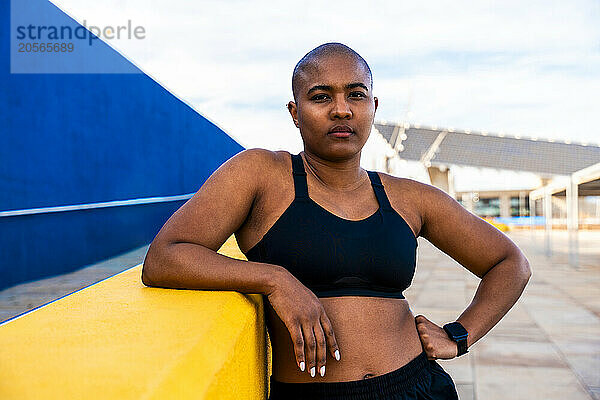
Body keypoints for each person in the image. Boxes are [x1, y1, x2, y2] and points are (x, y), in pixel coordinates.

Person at [141, 42, 532, 399]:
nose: (341, 109)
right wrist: (275, 280)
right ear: (295, 112)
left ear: (373, 107)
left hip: (417, 387)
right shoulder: (261, 174)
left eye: (356, 95)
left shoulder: (409, 196)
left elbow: (510, 263)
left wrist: (460, 335)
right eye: (321, 96)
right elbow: (165, 257)